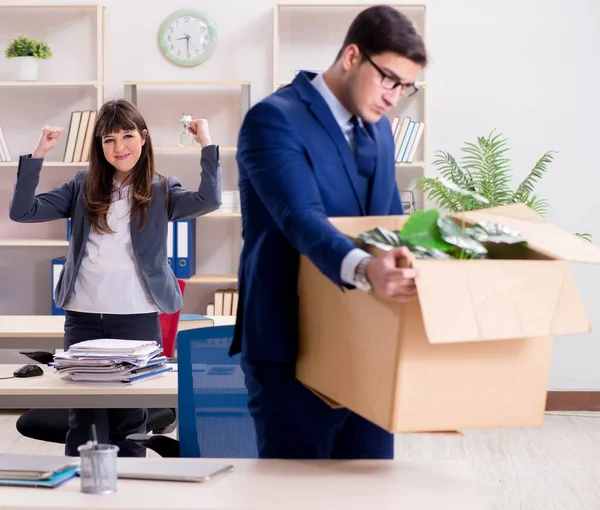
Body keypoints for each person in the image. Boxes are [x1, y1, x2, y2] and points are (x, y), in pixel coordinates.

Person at [230, 5, 428, 459]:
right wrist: (365, 269)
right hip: (291, 346)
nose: (395, 96)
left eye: (406, 87)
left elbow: (387, 221)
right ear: (352, 57)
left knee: (372, 486)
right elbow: (301, 217)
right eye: (389, 79)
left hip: (366, 339)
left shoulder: (378, 130)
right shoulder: (273, 119)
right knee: (299, 493)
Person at [9, 99, 222, 457]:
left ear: (143, 138)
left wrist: (206, 144)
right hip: (84, 317)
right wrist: (39, 152)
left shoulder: (162, 189)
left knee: (129, 421)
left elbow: (209, 200)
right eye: (108, 139)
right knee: (86, 420)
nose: (119, 147)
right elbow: (23, 211)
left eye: (126, 136)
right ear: (100, 146)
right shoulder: (82, 185)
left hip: (137, 318)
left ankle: (130, 492)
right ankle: (84, 494)